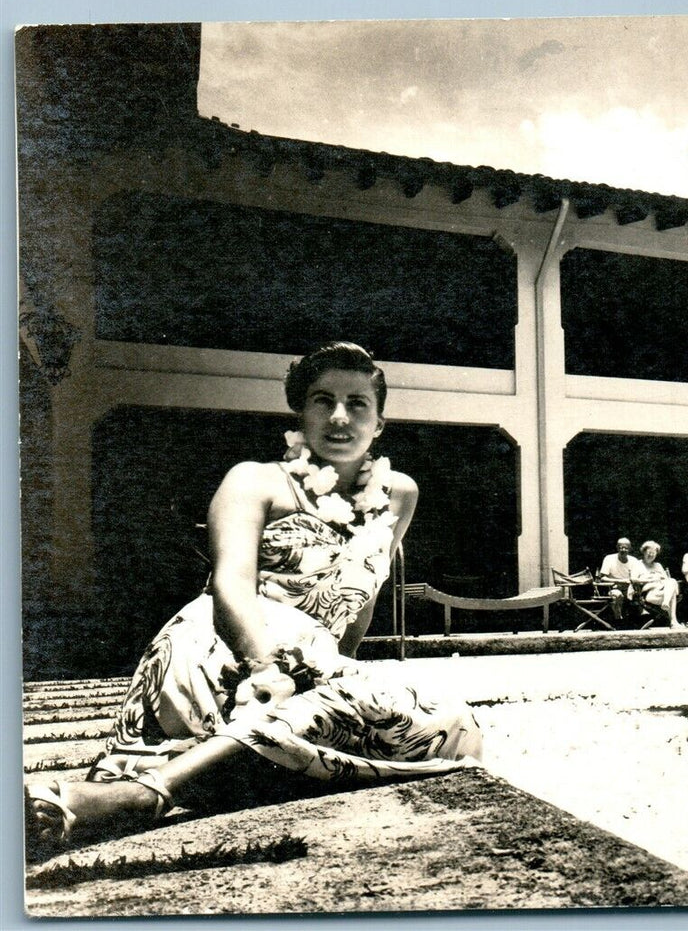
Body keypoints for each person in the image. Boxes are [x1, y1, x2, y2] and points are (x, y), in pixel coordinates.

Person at [25, 342, 483, 855]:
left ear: (379, 425)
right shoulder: (255, 480)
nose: (339, 417)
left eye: (357, 404)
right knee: (284, 718)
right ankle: (159, 788)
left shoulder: (399, 493)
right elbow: (229, 583)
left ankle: (160, 786)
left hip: (313, 663)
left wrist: (340, 674)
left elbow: (364, 592)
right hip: (223, 643)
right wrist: (263, 667)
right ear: (299, 413)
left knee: (455, 729)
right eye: (321, 400)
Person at [598, 537, 648, 622]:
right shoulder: (609, 558)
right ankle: (618, 619)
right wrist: (621, 581)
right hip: (613, 587)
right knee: (617, 595)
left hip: (630, 588)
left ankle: (643, 615)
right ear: (617, 547)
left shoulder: (633, 560)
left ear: (630, 549)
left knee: (639, 592)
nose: (623, 550)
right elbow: (602, 578)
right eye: (621, 547)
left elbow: (642, 575)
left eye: (626, 548)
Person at [638, 540, 681, 628]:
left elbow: (666, 580)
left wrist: (661, 578)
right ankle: (673, 621)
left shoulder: (658, 565)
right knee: (671, 593)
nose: (651, 555)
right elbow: (633, 579)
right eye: (649, 552)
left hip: (662, 591)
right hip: (649, 594)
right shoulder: (638, 564)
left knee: (672, 581)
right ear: (644, 552)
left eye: (653, 553)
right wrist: (650, 578)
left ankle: (666, 604)